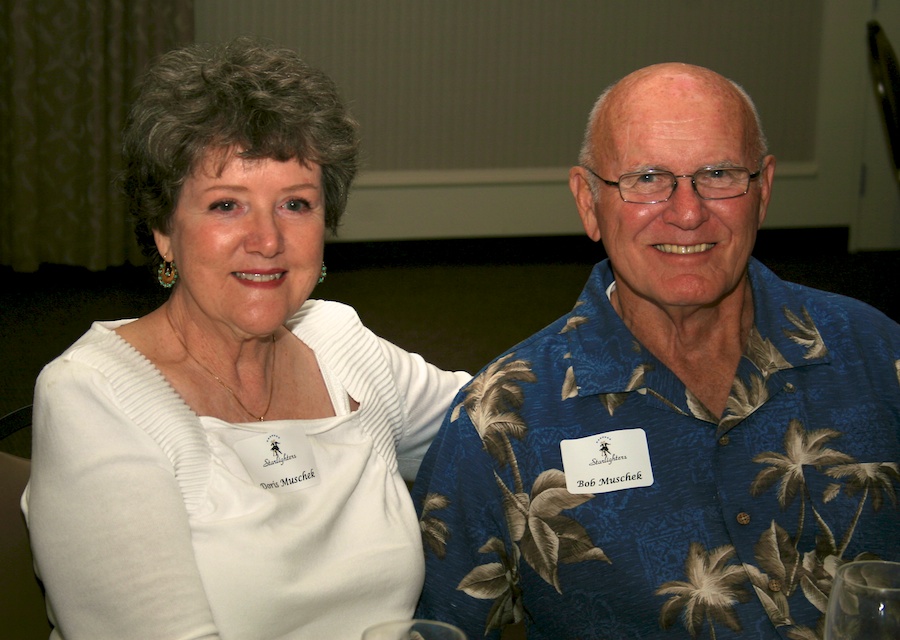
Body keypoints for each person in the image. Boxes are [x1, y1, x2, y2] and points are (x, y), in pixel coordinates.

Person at [412, 63, 900, 639]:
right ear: (589, 202)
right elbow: (442, 625)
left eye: (718, 174)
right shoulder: (503, 420)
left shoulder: (877, 355)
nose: (688, 212)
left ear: (763, 190)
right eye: (647, 178)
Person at [22, 38, 470, 640]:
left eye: (295, 204)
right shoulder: (95, 397)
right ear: (163, 230)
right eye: (227, 204)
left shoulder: (341, 344)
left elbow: (514, 421)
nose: (266, 239)